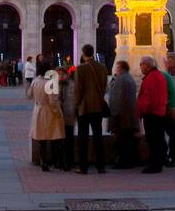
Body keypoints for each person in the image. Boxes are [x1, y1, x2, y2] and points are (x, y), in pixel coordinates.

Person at [72, 43, 108, 174]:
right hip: (98, 106)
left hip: (84, 107)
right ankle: (100, 166)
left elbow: (78, 90)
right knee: (98, 135)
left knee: (83, 137)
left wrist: (76, 105)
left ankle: (83, 166)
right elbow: (104, 86)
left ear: (83, 53)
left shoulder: (80, 69)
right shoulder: (103, 68)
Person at [137, 56, 168, 174]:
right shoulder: (159, 76)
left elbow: (150, 98)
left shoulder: (151, 78)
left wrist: (143, 110)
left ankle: (155, 165)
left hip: (152, 113)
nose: (140, 67)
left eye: (141, 64)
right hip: (158, 112)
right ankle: (157, 163)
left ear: (147, 65)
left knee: (153, 140)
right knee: (157, 139)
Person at [28, 70, 64, 172]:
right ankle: (54, 161)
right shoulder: (51, 83)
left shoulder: (35, 81)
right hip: (49, 111)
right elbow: (53, 101)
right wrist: (58, 112)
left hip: (38, 110)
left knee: (41, 139)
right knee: (54, 136)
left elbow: (29, 95)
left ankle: (43, 162)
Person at [106, 60, 138, 169]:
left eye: (117, 67)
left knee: (123, 141)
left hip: (122, 116)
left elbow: (118, 99)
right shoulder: (127, 78)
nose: (115, 69)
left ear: (122, 68)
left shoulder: (122, 80)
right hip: (127, 115)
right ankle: (129, 160)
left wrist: (115, 115)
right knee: (127, 139)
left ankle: (124, 161)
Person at [160, 61, 175, 167]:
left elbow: (171, 92)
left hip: (167, 110)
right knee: (166, 135)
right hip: (164, 109)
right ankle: (169, 156)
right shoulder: (162, 76)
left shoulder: (162, 76)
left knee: (171, 134)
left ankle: (174, 157)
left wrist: (172, 107)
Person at [56, 67, 77, 171]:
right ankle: (58, 161)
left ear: (67, 74)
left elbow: (75, 100)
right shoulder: (54, 85)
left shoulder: (72, 84)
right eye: (58, 74)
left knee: (69, 140)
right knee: (58, 141)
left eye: (62, 74)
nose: (60, 76)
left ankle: (69, 161)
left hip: (69, 116)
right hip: (57, 117)